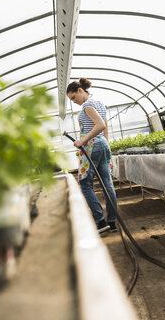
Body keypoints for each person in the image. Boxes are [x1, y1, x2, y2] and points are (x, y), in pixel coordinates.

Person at [67, 78, 118, 233]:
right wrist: (105, 144)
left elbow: (100, 125)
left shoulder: (87, 105)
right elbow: (105, 127)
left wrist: (82, 140)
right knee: (107, 184)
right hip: (102, 144)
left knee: (85, 184)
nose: (73, 101)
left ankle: (100, 222)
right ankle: (112, 222)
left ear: (80, 90)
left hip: (91, 146)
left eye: (74, 97)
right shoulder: (100, 104)